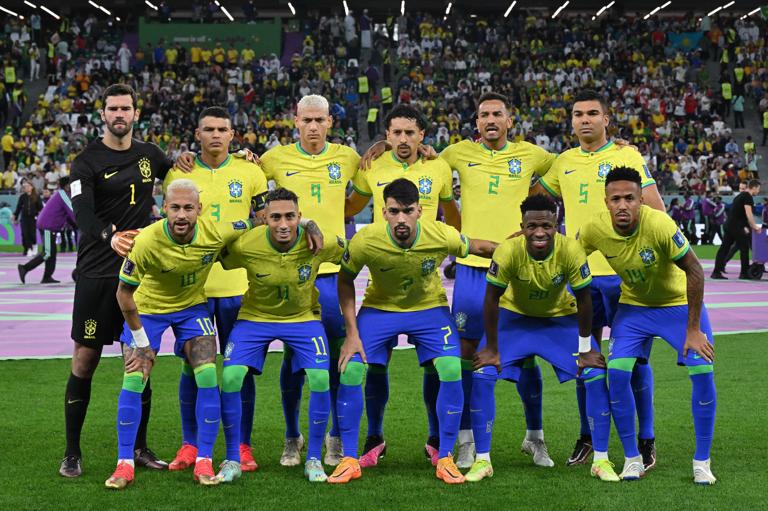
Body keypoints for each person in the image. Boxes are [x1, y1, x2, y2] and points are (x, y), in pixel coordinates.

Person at [358, 93, 557, 468]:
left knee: (527, 352)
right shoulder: (453, 154)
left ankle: (535, 438)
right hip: (470, 268)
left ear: (510, 120)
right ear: (476, 122)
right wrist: (382, 144)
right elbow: (412, 150)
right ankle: (463, 439)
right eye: (484, 115)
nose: (491, 119)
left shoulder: (533, 155)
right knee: (464, 353)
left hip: (517, 265)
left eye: (498, 113)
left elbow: (569, 168)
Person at [531, 89, 667, 469]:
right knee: (585, 360)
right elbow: (532, 198)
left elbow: (657, 210)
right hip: (582, 280)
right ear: (571, 121)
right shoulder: (562, 163)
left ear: (607, 119)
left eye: (593, 113)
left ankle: (646, 439)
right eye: (578, 114)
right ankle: (589, 435)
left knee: (635, 362)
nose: (585, 119)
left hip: (627, 280)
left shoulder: (627, 155)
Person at [330, 178, 497, 485]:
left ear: (420, 211)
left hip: (429, 309)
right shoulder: (366, 240)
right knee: (351, 370)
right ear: (383, 212)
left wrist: (519, 249)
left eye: (408, 210)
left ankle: (445, 457)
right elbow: (344, 280)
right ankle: (350, 459)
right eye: (394, 211)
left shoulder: (439, 233)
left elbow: (480, 247)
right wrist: (351, 334)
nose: (401, 218)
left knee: (450, 367)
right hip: (380, 309)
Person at [105, 179, 252, 489]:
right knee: (135, 376)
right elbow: (123, 296)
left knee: (208, 375)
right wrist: (143, 344)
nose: (181, 215)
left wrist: (302, 222)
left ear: (199, 209)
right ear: (163, 209)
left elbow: (252, 221)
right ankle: (124, 464)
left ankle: (204, 460)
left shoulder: (215, 231)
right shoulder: (146, 241)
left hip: (192, 310)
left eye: (188, 208)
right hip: (147, 309)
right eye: (175, 208)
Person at [62, 84, 175, 478]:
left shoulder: (150, 155)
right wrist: (110, 235)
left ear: (136, 113)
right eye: (113, 108)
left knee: (140, 360)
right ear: (103, 114)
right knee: (86, 358)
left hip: (140, 276)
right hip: (96, 272)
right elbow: (83, 213)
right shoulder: (85, 161)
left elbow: (184, 179)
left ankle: (140, 448)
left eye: (125, 108)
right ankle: (72, 452)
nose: (119, 114)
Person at [579, 166, 717, 485]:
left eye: (630, 198)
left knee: (703, 372)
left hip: (677, 307)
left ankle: (702, 461)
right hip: (634, 309)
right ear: (606, 201)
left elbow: (695, 271)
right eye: (616, 199)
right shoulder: (594, 229)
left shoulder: (659, 224)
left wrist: (693, 330)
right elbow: (569, 257)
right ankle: (632, 458)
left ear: (642, 199)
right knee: (617, 372)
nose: (623, 205)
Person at [469, 194, 617, 483]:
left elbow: (585, 301)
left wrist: (586, 349)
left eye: (547, 226)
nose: (539, 232)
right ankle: (482, 460)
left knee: (595, 373)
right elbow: (491, 300)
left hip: (559, 319)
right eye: (532, 225)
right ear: (522, 226)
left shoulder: (571, 250)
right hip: (515, 318)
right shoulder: (508, 251)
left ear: (557, 225)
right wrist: (492, 348)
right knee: (483, 373)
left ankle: (601, 459)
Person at [346, 104, 460, 466]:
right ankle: (375, 436)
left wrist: (452, 243)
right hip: (381, 296)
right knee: (372, 366)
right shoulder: (371, 167)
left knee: (436, 367)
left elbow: (454, 215)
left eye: (410, 132)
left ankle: (435, 437)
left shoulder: (438, 166)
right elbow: (349, 208)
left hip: (428, 294)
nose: (403, 139)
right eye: (395, 132)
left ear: (422, 136)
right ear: (386, 136)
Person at [163, 106, 269, 474]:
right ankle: (191, 444)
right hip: (195, 292)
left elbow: (262, 220)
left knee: (238, 369)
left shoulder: (251, 170)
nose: (216, 135)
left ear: (233, 134)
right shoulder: (180, 172)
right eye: (208, 129)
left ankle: (241, 445)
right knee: (195, 368)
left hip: (240, 287)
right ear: (197, 133)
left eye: (222, 129)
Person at [259, 94, 360, 466]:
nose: (314, 126)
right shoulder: (274, 158)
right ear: (295, 121)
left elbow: (363, 193)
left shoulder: (348, 157)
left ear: (330, 122)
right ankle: (291, 436)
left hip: (333, 274)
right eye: (307, 120)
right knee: (293, 358)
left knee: (336, 357)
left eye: (320, 120)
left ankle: (334, 435)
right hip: (292, 274)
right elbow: (255, 191)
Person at [217, 188, 341, 484]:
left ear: (300, 216)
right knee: (232, 376)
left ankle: (313, 457)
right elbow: (214, 249)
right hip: (255, 318)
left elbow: (357, 253)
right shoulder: (247, 244)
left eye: (290, 216)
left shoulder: (319, 242)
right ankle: (232, 457)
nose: (283, 224)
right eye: (275, 217)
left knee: (321, 378)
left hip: (302, 318)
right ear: (264, 219)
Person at [18, 176, 75, 284]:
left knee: (52, 252)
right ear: (67, 186)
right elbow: (72, 211)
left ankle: (47, 277)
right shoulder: (64, 195)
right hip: (48, 226)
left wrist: (75, 224)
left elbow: (69, 215)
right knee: (48, 252)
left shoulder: (62, 194)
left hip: (48, 225)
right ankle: (24, 268)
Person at [711, 179, 762, 279]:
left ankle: (716, 272)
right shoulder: (748, 196)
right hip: (737, 226)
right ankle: (744, 273)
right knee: (744, 248)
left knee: (724, 248)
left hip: (729, 225)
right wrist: (755, 227)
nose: (758, 191)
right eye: (758, 189)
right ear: (754, 187)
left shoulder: (739, 196)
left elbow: (737, 214)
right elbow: (749, 214)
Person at [13, 180, 42, 256]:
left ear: (32, 187)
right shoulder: (22, 197)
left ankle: (35, 246)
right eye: (24, 187)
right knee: (25, 234)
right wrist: (15, 217)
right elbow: (18, 208)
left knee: (32, 234)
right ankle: (29, 249)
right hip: (24, 218)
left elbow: (41, 208)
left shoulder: (36, 196)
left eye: (27, 186)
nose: (26, 188)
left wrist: (39, 215)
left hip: (33, 218)